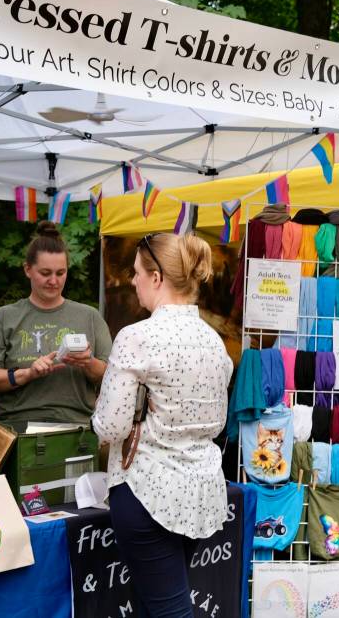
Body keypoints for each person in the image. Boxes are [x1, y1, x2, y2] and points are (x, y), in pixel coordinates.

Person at [93, 233, 233, 617]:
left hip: (145, 491)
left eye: (137, 272)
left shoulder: (136, 337)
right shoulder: (213, 341)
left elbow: (111, 427)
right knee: (154, 605)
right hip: (198, 492)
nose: (133, 280)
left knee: (168, 610)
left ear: (156, 277)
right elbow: (216, 423)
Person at [0, 221, 112, 427]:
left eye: (60, 273)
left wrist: (87, 362)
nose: (54, 281)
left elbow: (112, 378)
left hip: (76, 428)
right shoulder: (5, 317)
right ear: (27, 269)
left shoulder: (89, 317)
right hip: (17, 428)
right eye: (45, 273)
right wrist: (27, 374)